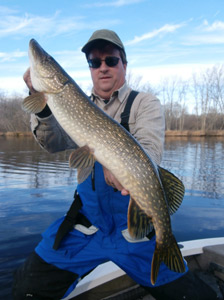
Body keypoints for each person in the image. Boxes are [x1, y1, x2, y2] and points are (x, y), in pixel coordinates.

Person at [12, 29, 217, 300]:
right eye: (95, 62)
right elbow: (52, 143)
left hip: (134, 229)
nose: (103, 67)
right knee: (26, 287)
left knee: (192, 296)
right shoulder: (74, 102)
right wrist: (42, 107)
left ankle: (164, 247)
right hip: (87, 227)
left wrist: (118, 167)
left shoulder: (144, 103)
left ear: (124, 64)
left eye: (111, 60)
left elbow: (150, 152)